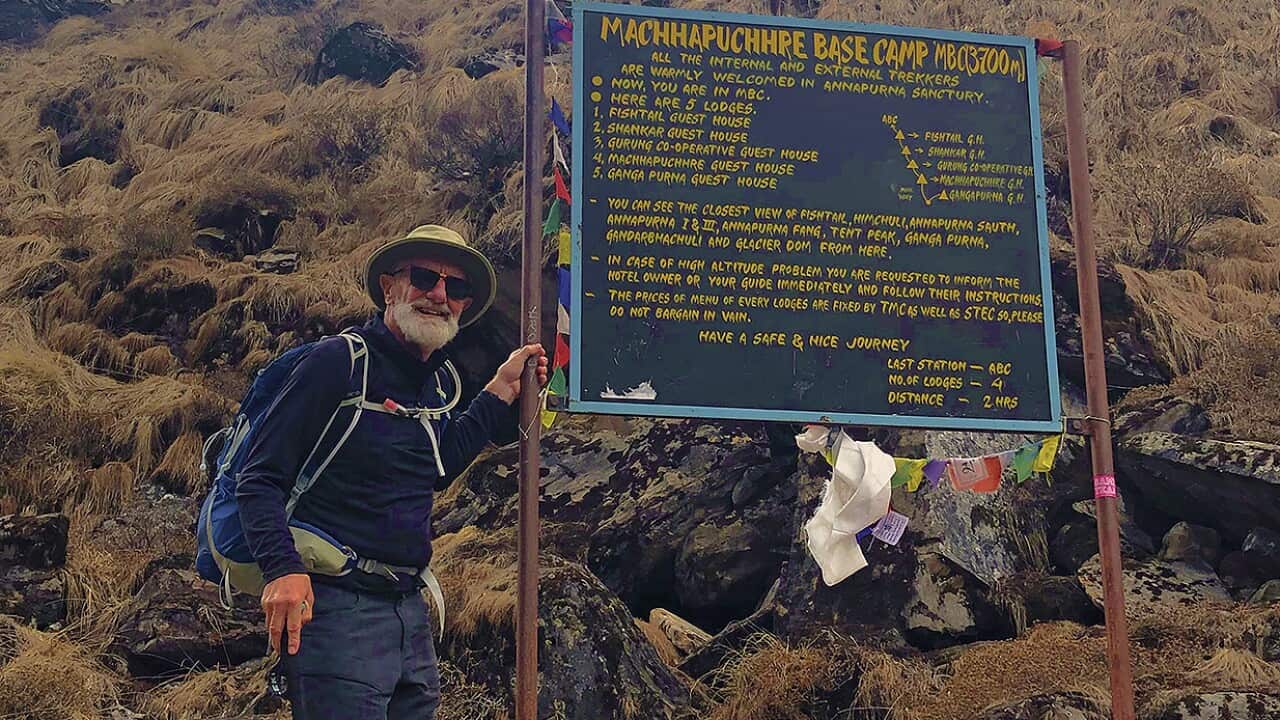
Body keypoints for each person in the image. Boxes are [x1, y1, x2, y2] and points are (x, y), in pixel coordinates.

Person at [235, 225, 548, 720]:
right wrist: (283, 569)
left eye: (456, 287)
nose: (440, 295)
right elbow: (259, 477)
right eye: (425, 277)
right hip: (337, 612)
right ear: (389, 287)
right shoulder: (337, 362)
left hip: (409, 612)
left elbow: (437, 467)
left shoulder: (438, 379)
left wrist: (500, 390)